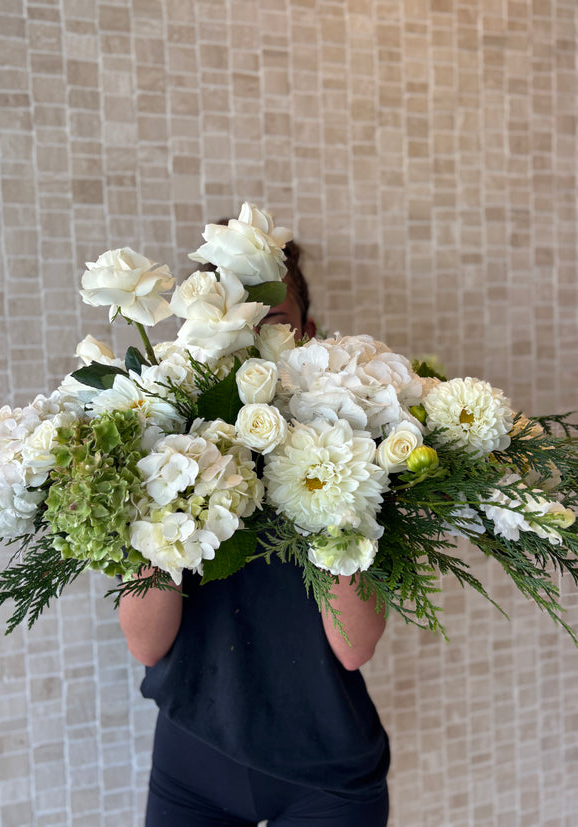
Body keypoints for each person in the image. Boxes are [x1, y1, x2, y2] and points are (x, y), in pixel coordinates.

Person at [118, 241, 390, 826]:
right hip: (194, 759)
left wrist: (339, 494)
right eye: (226, 322)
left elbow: (355, 646)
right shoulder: (161, 452)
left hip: (330, 771)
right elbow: (146, 644)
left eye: (271, 323)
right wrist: (171, 488)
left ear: (309, 333)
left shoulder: (357, 452)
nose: (248, 343)